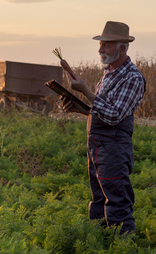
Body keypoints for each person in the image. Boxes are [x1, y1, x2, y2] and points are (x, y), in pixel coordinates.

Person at [61, 21, 146, 235]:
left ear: (122, 48)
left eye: (106, 45)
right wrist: (80, 108)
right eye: (101, 44)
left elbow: (116, 115)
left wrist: (87, 92)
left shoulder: (132, 78)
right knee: (98, 201)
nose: (101, 49)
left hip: (114, 150)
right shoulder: (109, 73)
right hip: (97, 148)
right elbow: (103, 111)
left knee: (117, 204)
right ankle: (99, 248)